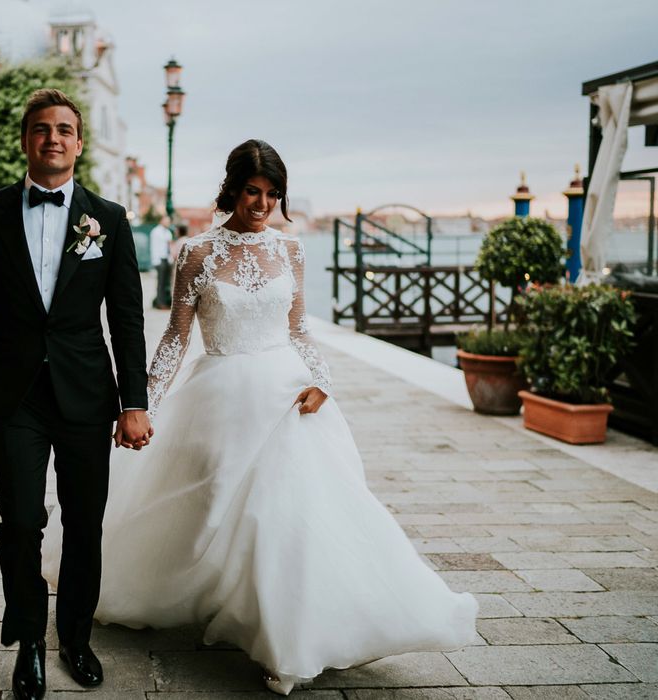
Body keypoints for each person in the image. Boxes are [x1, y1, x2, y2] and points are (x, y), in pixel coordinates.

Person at [43, 139, 478, 696]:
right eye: (254, 191)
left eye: (273, 194)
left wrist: (323, 380)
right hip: (220, 398)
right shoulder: (197, 252)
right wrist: (143, 404)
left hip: (289, 398)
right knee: (223, 518)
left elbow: (299, 330)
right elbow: (177, 336)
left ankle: (289, 641)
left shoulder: (291, 251)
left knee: (288, 518)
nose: (263, 203)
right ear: (232, 189)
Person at [0, 88, 152, 700]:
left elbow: (126, 317)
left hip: (86, 393)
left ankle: (75, 637)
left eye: (63, 130)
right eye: (41, 129)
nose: (52, 138)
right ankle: (27, 640)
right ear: (26, 140)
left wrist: (136, 402)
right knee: (21, 522)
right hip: (16, 393)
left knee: (84, 523)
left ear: (78, 143)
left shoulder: (107, 218)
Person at [150, 215, 173, 309]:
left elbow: (170, 246)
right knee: (161, 282)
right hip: (159, 260)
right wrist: (156, 261)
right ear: (161, 221)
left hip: (167, 259)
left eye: (169, 221)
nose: (168, 222)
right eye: (166, 221)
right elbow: (154, 247)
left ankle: (166, 302)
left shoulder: (168, 232)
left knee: (167, 282)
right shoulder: (155, 232)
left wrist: (170, 258)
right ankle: (160, 303)